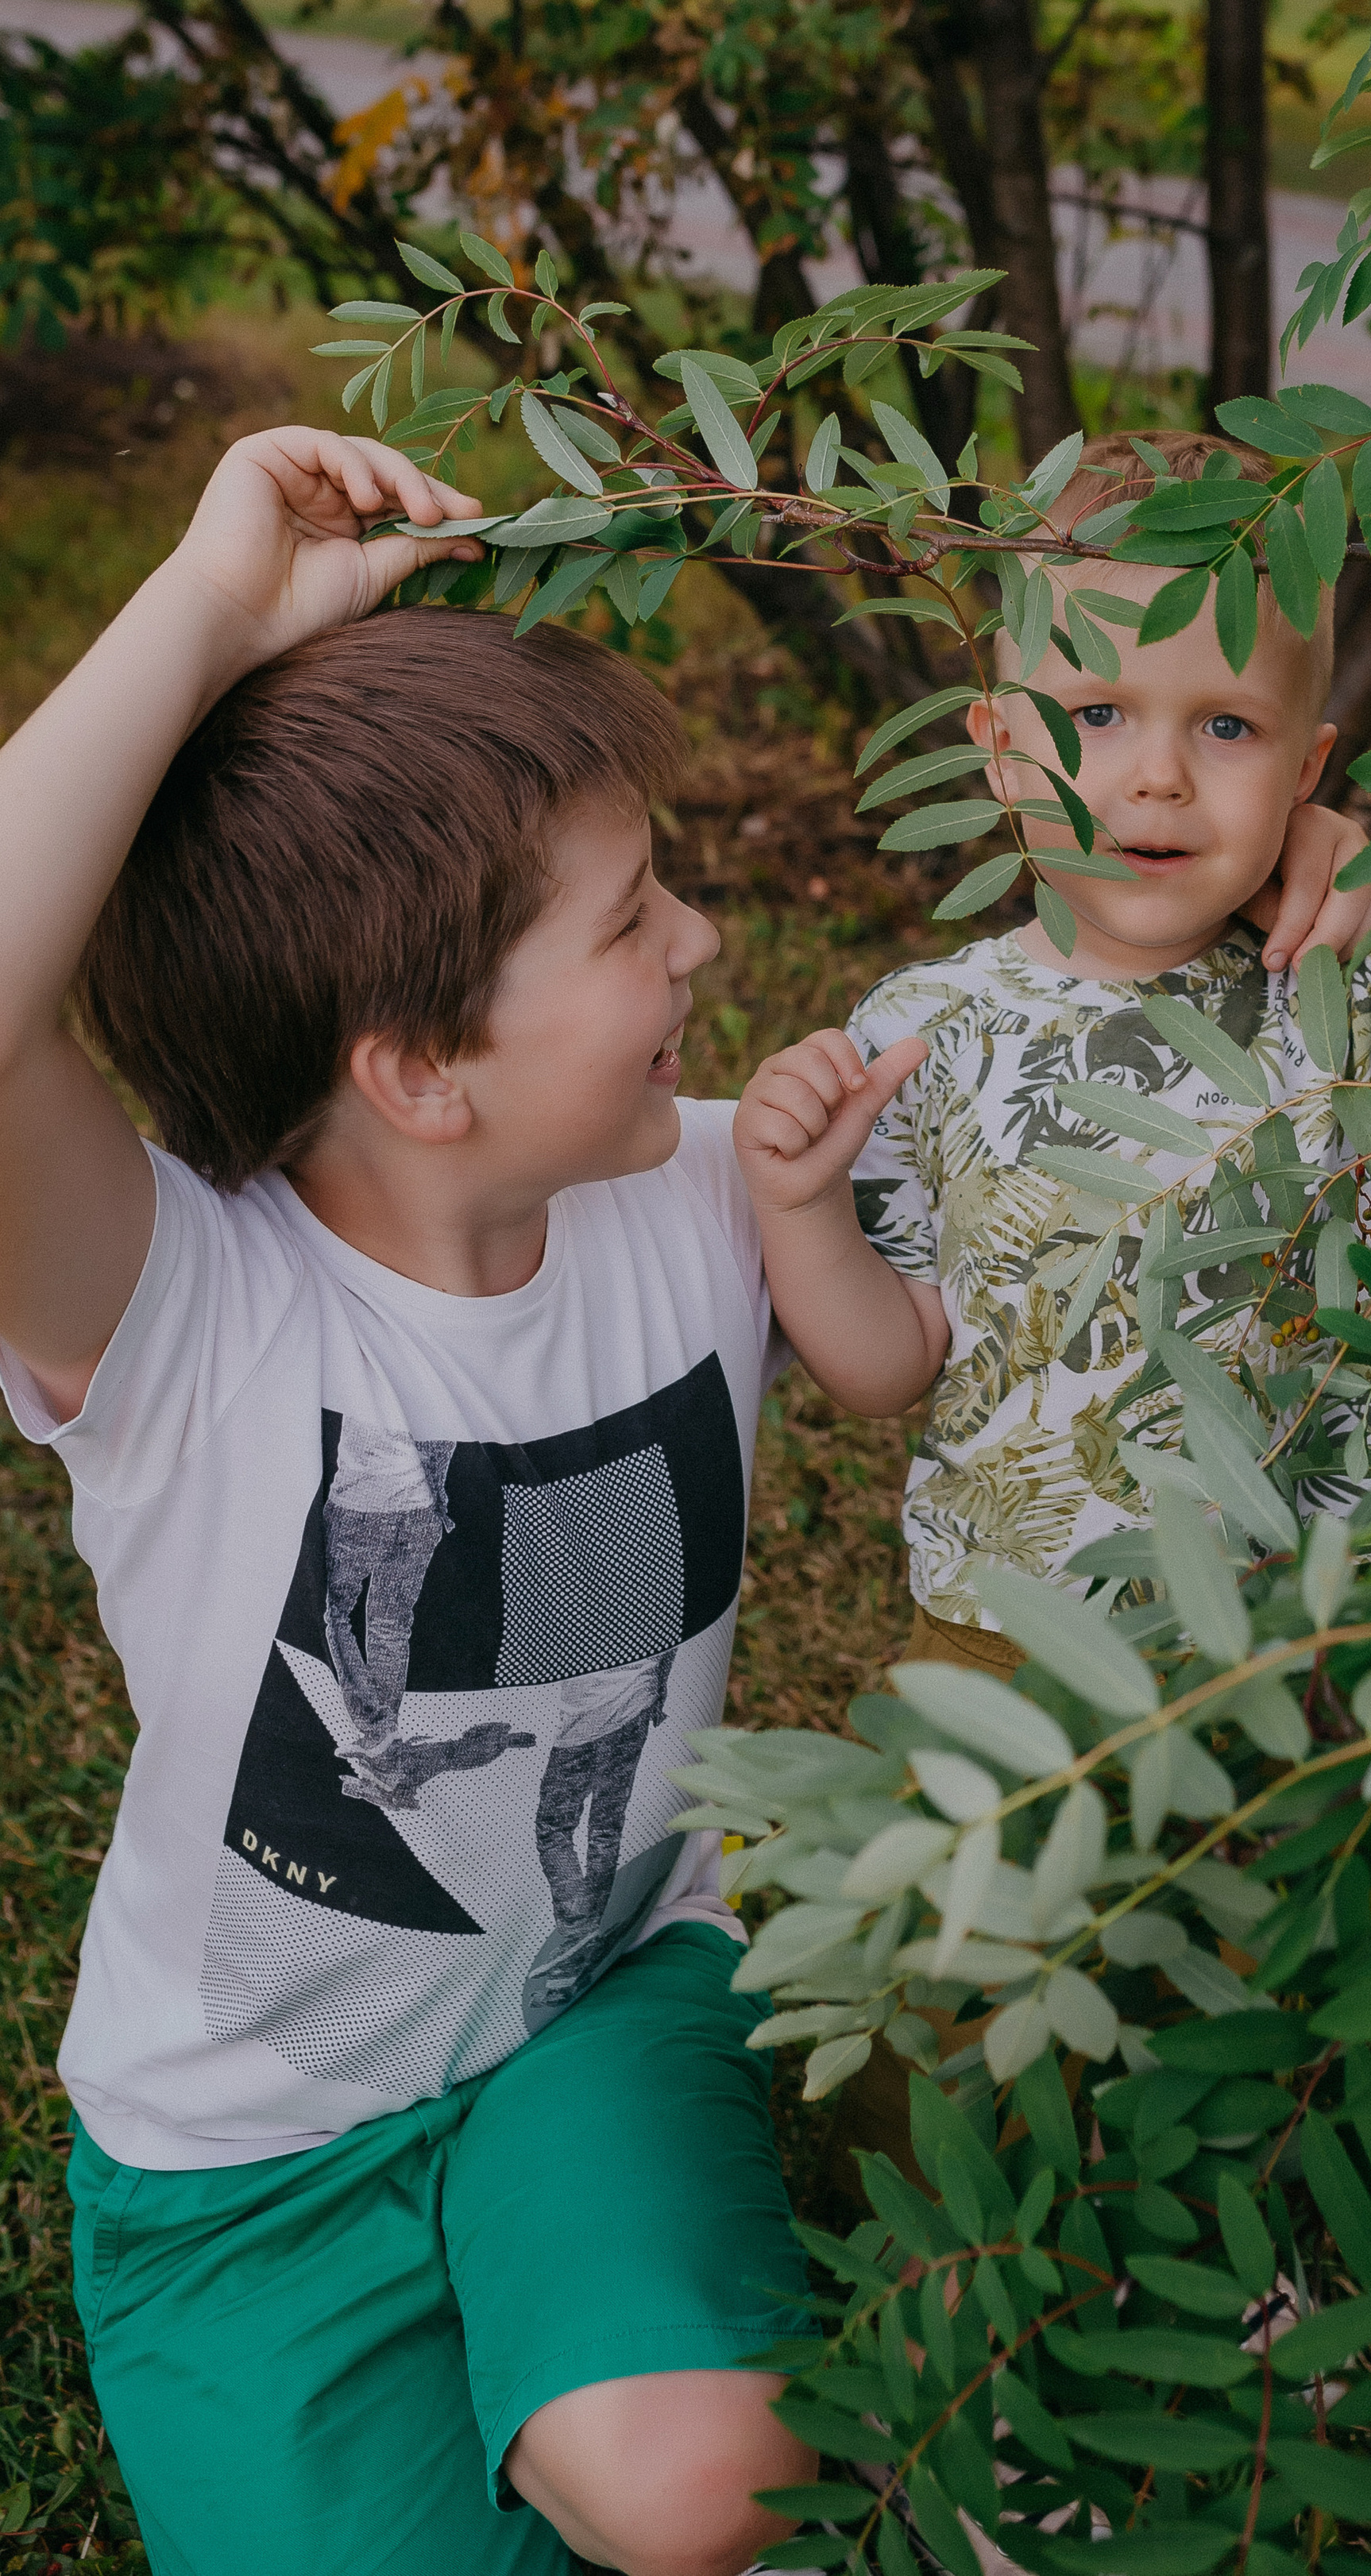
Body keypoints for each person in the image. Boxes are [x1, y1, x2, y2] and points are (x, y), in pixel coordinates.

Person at [0, 427, 816, 2576]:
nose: (707, 948)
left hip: (599, 2004)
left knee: (702, 2497)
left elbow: (1069, 1080)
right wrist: (204, 612)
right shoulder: (191, 1324)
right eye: (635, 922)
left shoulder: (718, 1189)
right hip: (247, 2177)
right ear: (418, 1069)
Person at [732, 426, 1371, 1677]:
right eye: (1098, 713)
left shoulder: (1340, 970)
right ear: (1003, 752)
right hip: (1014, 1630)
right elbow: (890, 1365)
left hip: (1323, 1619)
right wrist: (799, 1204)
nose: (1159, 777)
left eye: (1226, 727)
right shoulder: (922, 1029)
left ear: (1306, 766)